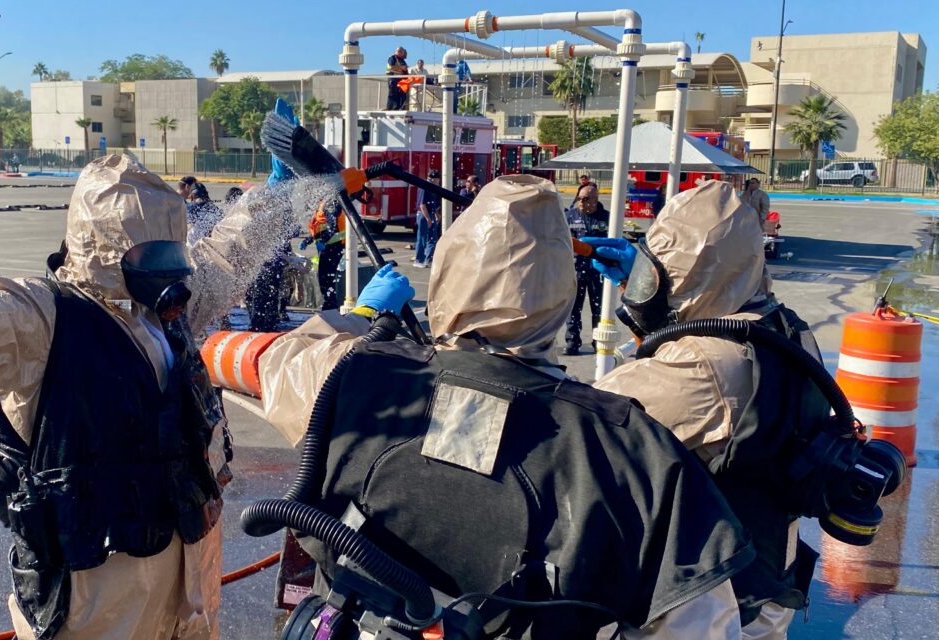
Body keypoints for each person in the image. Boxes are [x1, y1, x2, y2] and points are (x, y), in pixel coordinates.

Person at [0, 53, 296, 640]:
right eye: (154, 258)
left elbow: (228, 254)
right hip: (97, 595)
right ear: (106, 250)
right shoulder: (44, 321)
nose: (175, 272)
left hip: (187, 578)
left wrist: (278, 193)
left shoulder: (165, 313)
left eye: (175, 253)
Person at [256, 175, 751, 639]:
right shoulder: (634, 448)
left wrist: (359, 319)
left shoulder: (352, 377)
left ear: (449, 272)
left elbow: (268, 359)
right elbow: (699, 623)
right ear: (563, 292)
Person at [591, 180, 823, 639]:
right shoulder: (787, 332)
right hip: (769, 573)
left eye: (660, 273)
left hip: (708, 599)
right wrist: (652, 300)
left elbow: (592, 423)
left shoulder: (704, 364)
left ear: (688, 276)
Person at [563, 184, 609, 355]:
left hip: (599, 270)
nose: (581, 202)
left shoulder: (606, 218)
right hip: (575, 269)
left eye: (585, 199)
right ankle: (572, 341)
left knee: (598, 308)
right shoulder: (570, 216)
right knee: (574, 308)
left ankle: (599, 341)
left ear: (595, 200)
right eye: (579, 198)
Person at [303, 197, 346, 310]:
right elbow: (320, 227)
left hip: (333, 247)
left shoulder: (331, 202)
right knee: (325, 277)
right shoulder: (323, 203)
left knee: (326, 277)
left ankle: (330, 306)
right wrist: (308, 240)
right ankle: (329, 304)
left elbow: (331, 228)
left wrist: (321, 240)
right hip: (329, 246)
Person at [413, 169, 442, 268]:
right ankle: (418, 259)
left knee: (432, 238)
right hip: (423, 215)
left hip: (431, 213)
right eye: (438, 179)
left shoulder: (433, 188)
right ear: (433, 179)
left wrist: (436, 214)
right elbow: (422, 205)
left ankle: (428, 259)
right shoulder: (424, 187)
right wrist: (428, 218)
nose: (439, 181)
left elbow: (434, 203)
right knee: (422, 238)